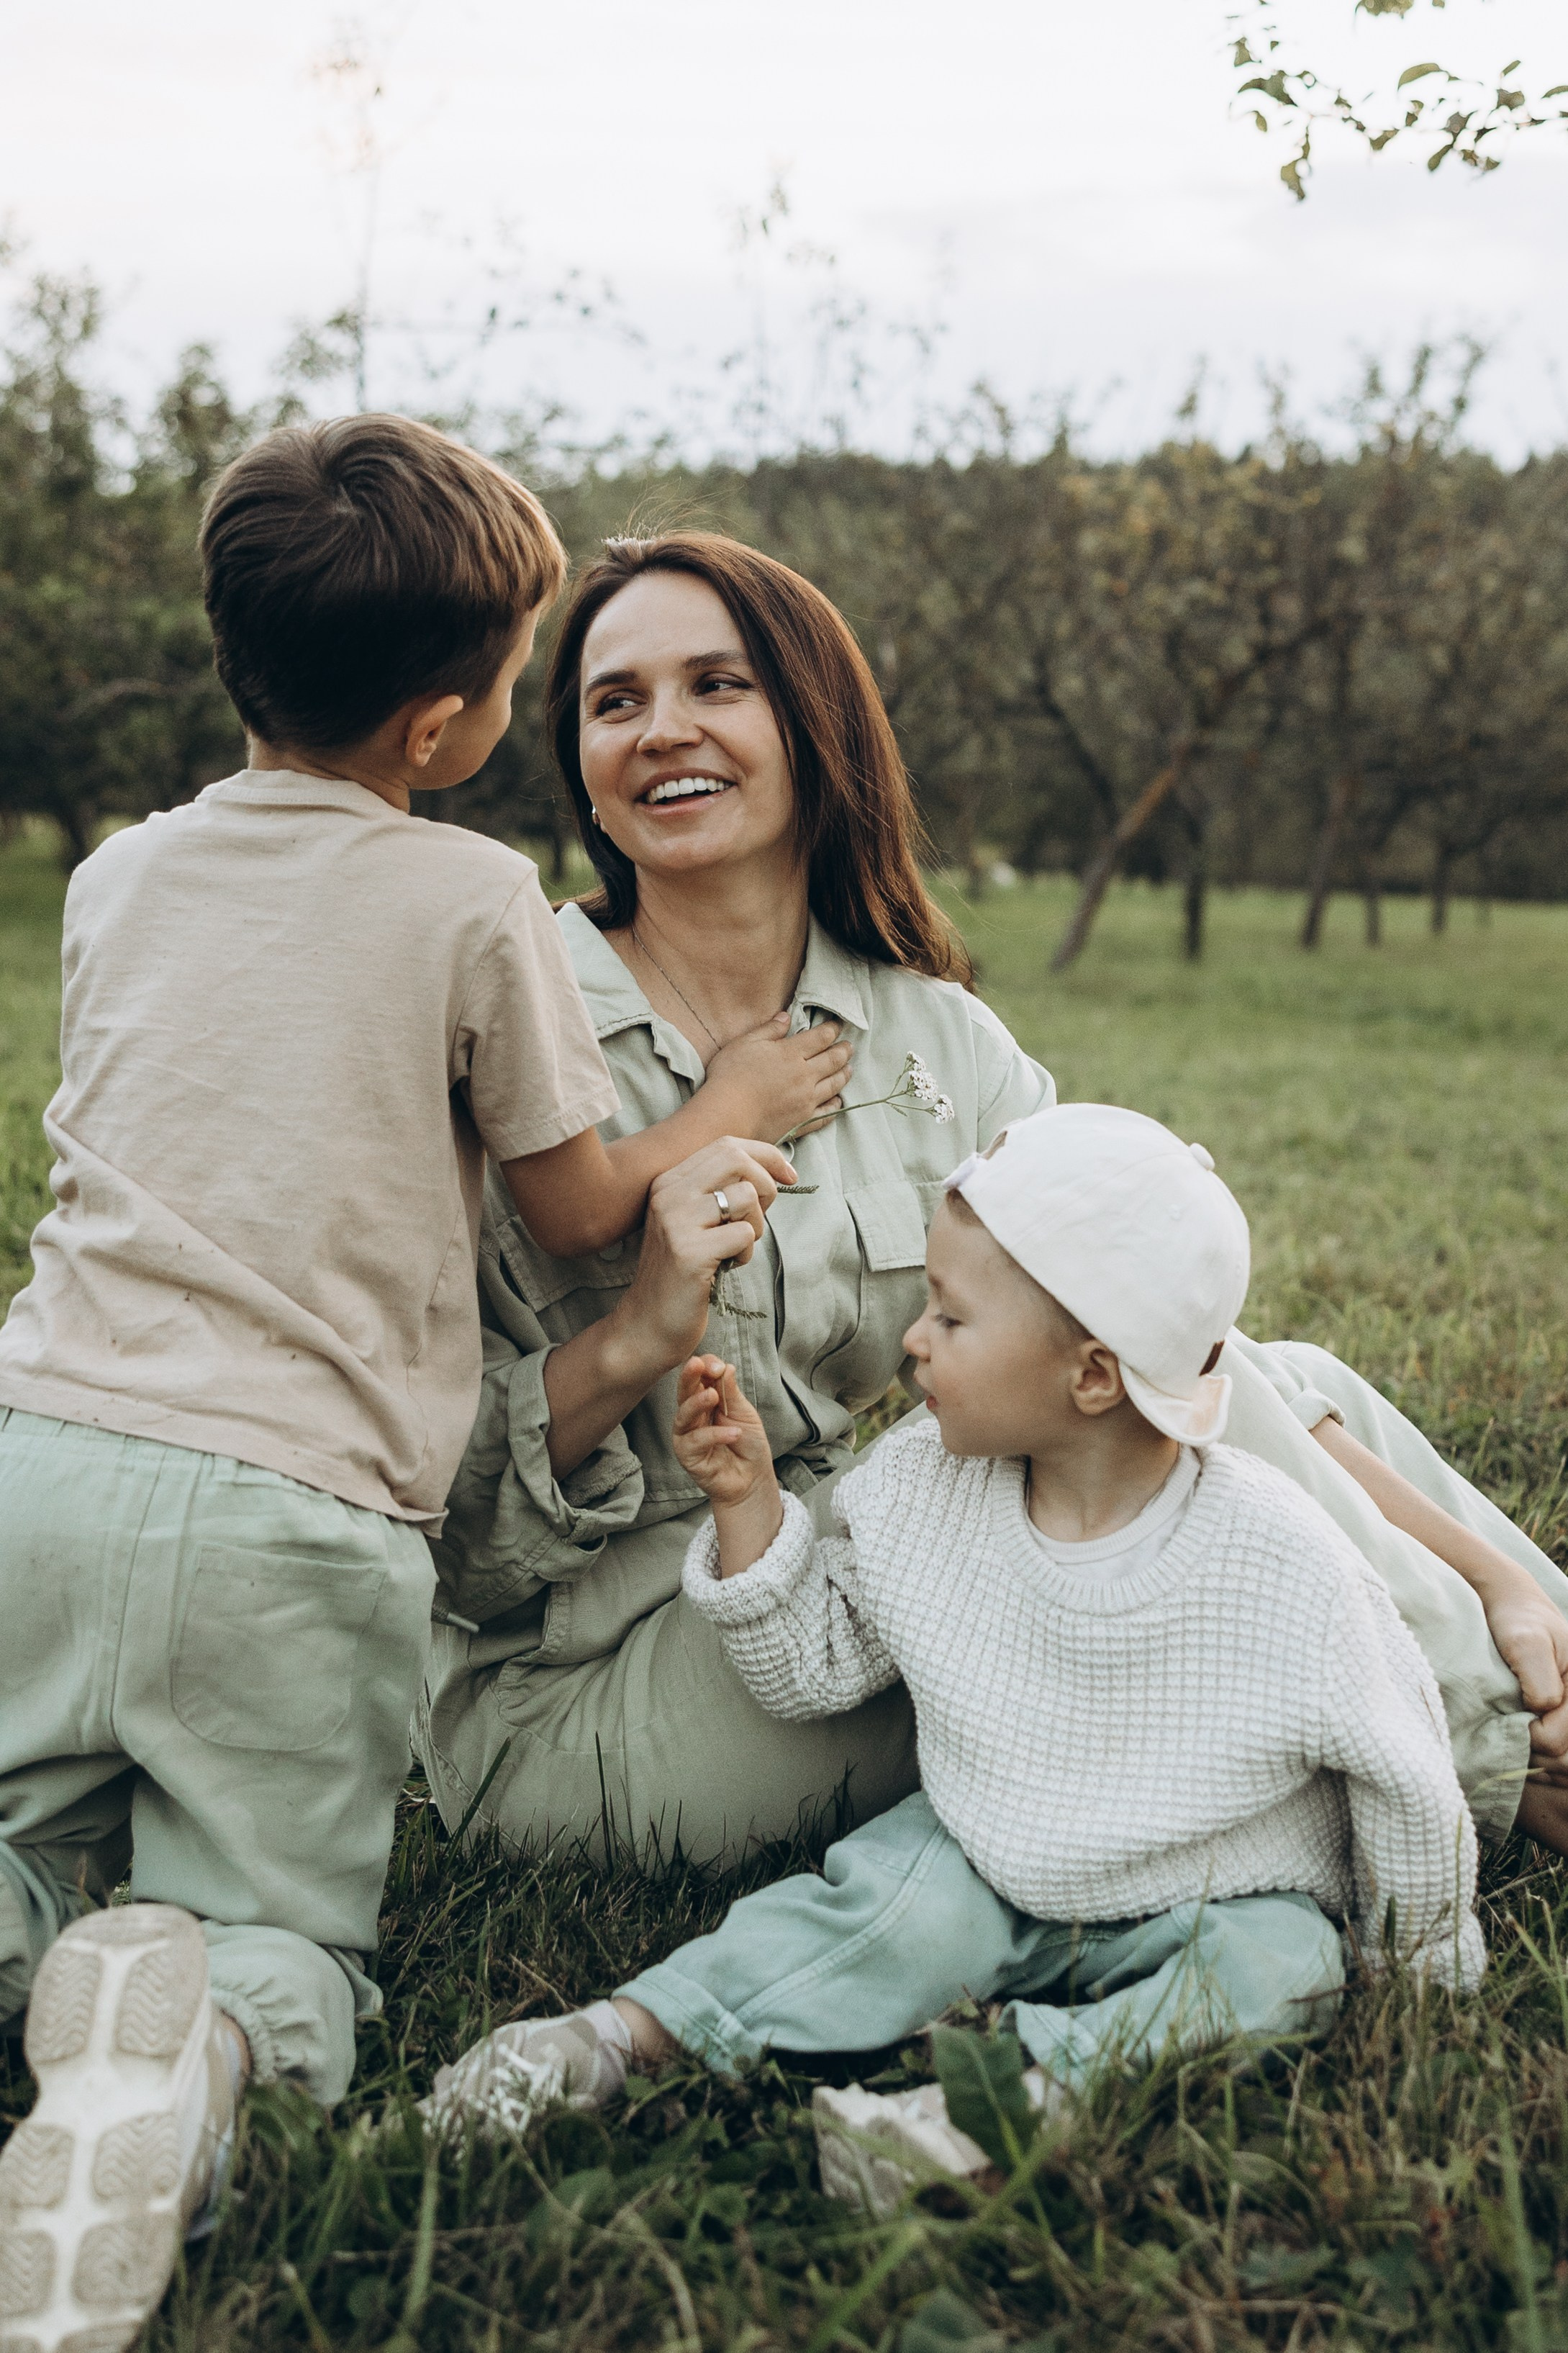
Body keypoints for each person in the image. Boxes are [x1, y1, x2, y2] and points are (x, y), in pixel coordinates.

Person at [0, 422, 835, 2352]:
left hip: (45, 1446)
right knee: (274, 1918)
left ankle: (63, 1938)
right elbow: (568, 1202)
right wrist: (717, 1104)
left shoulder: (117, 879)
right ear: (456, 720)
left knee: (33, 1817)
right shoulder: (468, 899)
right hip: (297, 1513)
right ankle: (190, 2047)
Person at [417, 530, 1568, 1884]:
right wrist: (627, 1344)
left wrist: (1488, 1576)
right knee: (1113, 1525)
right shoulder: (501, 1015)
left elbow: (1158, 1346)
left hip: (841, 1576)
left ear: (810, 722)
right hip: (595, 1681)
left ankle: (1531, 1652)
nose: (664, 729)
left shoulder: (934, 1040)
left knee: (1257, 1376)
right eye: (616, 701)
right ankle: (1506, 1752)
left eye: (717, 685)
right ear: (585, 773)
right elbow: (422, 1507)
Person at [424, 1105, 1485, 2217]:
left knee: (1282, 1968)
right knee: (882, 1902)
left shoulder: (1271, 1552)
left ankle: (1002, 2110)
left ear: (1090, 1375)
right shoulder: (925, 1485)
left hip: (1215, 1882)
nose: (914, 1340)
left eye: (951, 1315)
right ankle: (611, 2040)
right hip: (990, 1843)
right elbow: (811, 1666)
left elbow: (1403, 1768)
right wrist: (747, 1502)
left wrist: (1424, 1963)